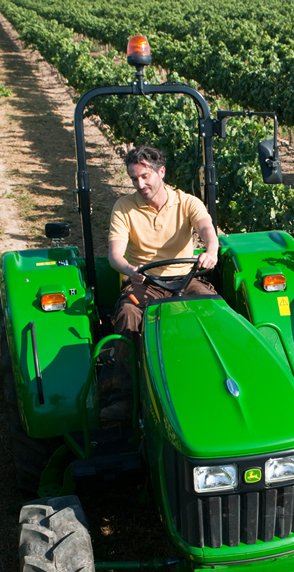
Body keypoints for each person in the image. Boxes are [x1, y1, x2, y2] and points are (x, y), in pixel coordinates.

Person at [99, 144, 220, 422]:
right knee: (128, 315)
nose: (139, 184)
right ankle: (123, 396)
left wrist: (211, 251)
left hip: (185, 278)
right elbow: (115, 255)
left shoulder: (187, 202)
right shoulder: (124, 207)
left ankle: (216, 381)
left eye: (145, 177)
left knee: (214, 309)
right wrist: (130, 269)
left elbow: (206, 228)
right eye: (134, 179)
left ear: (161, 172)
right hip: (144, 282)